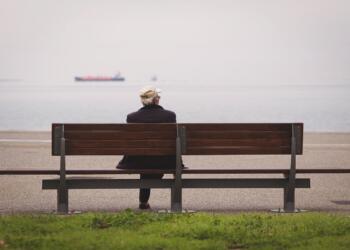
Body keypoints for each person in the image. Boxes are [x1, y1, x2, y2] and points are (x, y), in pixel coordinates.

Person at [117, 86, 177, 209]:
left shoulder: (132, 117)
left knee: (146, 161)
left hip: (137, 161)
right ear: (155, 100)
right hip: (164, 161)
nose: (159, 99)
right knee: (154, 161)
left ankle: (143, 201)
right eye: (158, 97)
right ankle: (170, 201)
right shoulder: (170, 116)